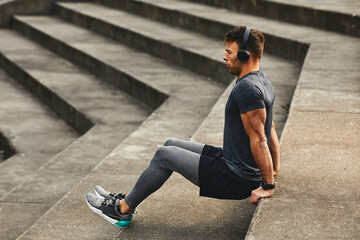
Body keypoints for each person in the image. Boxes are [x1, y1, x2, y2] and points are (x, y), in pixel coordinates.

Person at [85, 26, 280, 228]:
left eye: (229, 52)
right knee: (170, 144)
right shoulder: (262, 80)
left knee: (164, 155)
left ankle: (121, 210)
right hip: (232, 161)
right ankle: (129, 197)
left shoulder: (248, 89)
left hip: (235, 178)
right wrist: (274, 168)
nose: (224, 57)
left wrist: (267, 185)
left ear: (244, 55)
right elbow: (270, 128)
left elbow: (260, 138)